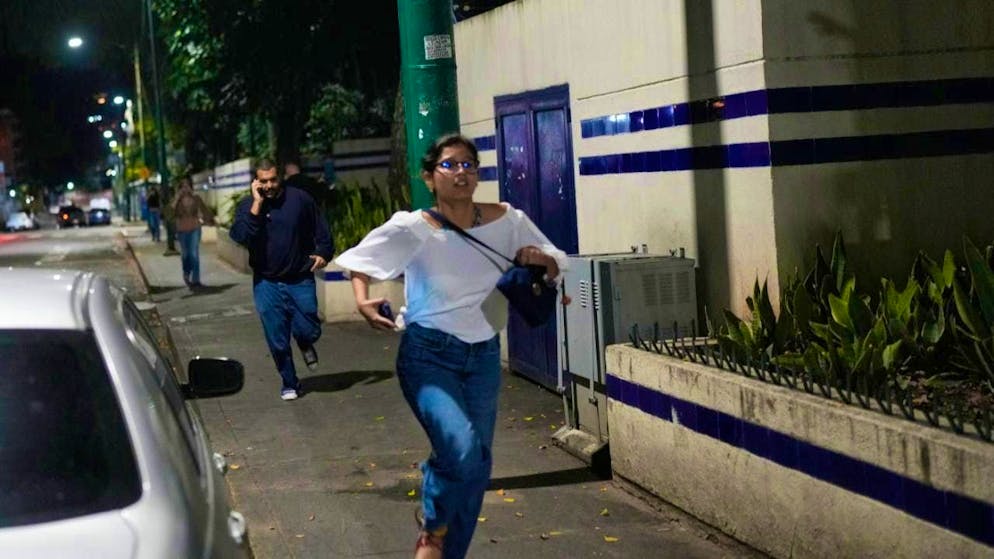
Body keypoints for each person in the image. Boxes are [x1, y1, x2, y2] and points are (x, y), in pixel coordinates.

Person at [334, 134, 567, 559]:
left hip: (481, 357)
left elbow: (557, 259)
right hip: (428, 356)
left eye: (468, 165)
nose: (461, 173)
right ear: (429, 176)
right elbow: (357, 259)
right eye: (450, 165)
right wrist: (362, 300)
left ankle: (442, 548)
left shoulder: (508, 221)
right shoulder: (414, 227)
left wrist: (542, 258)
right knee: (460, 451)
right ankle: (432, 518)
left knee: (477, 466)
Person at [230, 159, 333, 401]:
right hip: (266, 283)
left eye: (273, 180)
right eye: (263, 181)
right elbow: (242, 236)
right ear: (255, 182)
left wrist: (324, 252)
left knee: (308, 328)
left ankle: (304, 342)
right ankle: (289, 382)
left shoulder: (300, 200)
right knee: (277, 339)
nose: (269, 185)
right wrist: (256, 204)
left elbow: (322, 231)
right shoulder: (248, 206)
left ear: (280, 178)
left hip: (300, 278)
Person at [170, 177, 214, 288]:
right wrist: (176, 198)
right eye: (183, 186)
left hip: (195, 228)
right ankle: (186, 272)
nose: (185, 188)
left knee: (194, 254)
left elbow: (204, 211)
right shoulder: (177, 201)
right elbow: (168, 213)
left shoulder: (196, 198)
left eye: (187, 185)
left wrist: (209, 220)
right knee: (185, 255)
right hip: (182, 229)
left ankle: (196, 280)